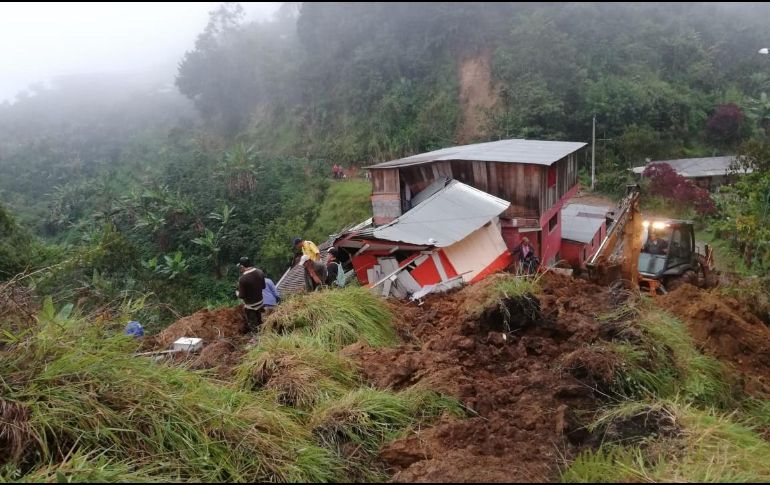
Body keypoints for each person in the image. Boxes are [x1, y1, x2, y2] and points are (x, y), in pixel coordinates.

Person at [235, 257, 266, 332]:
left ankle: (256, 338)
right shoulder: (260, 272)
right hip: (261, 302)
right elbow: (263, 287)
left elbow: (242, 296)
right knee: (260, 320)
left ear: (242, 267)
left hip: (251, 306)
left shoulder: (242, 279)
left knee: (253, 323)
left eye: (240, 267)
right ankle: (263, 331)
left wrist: (237, 293)